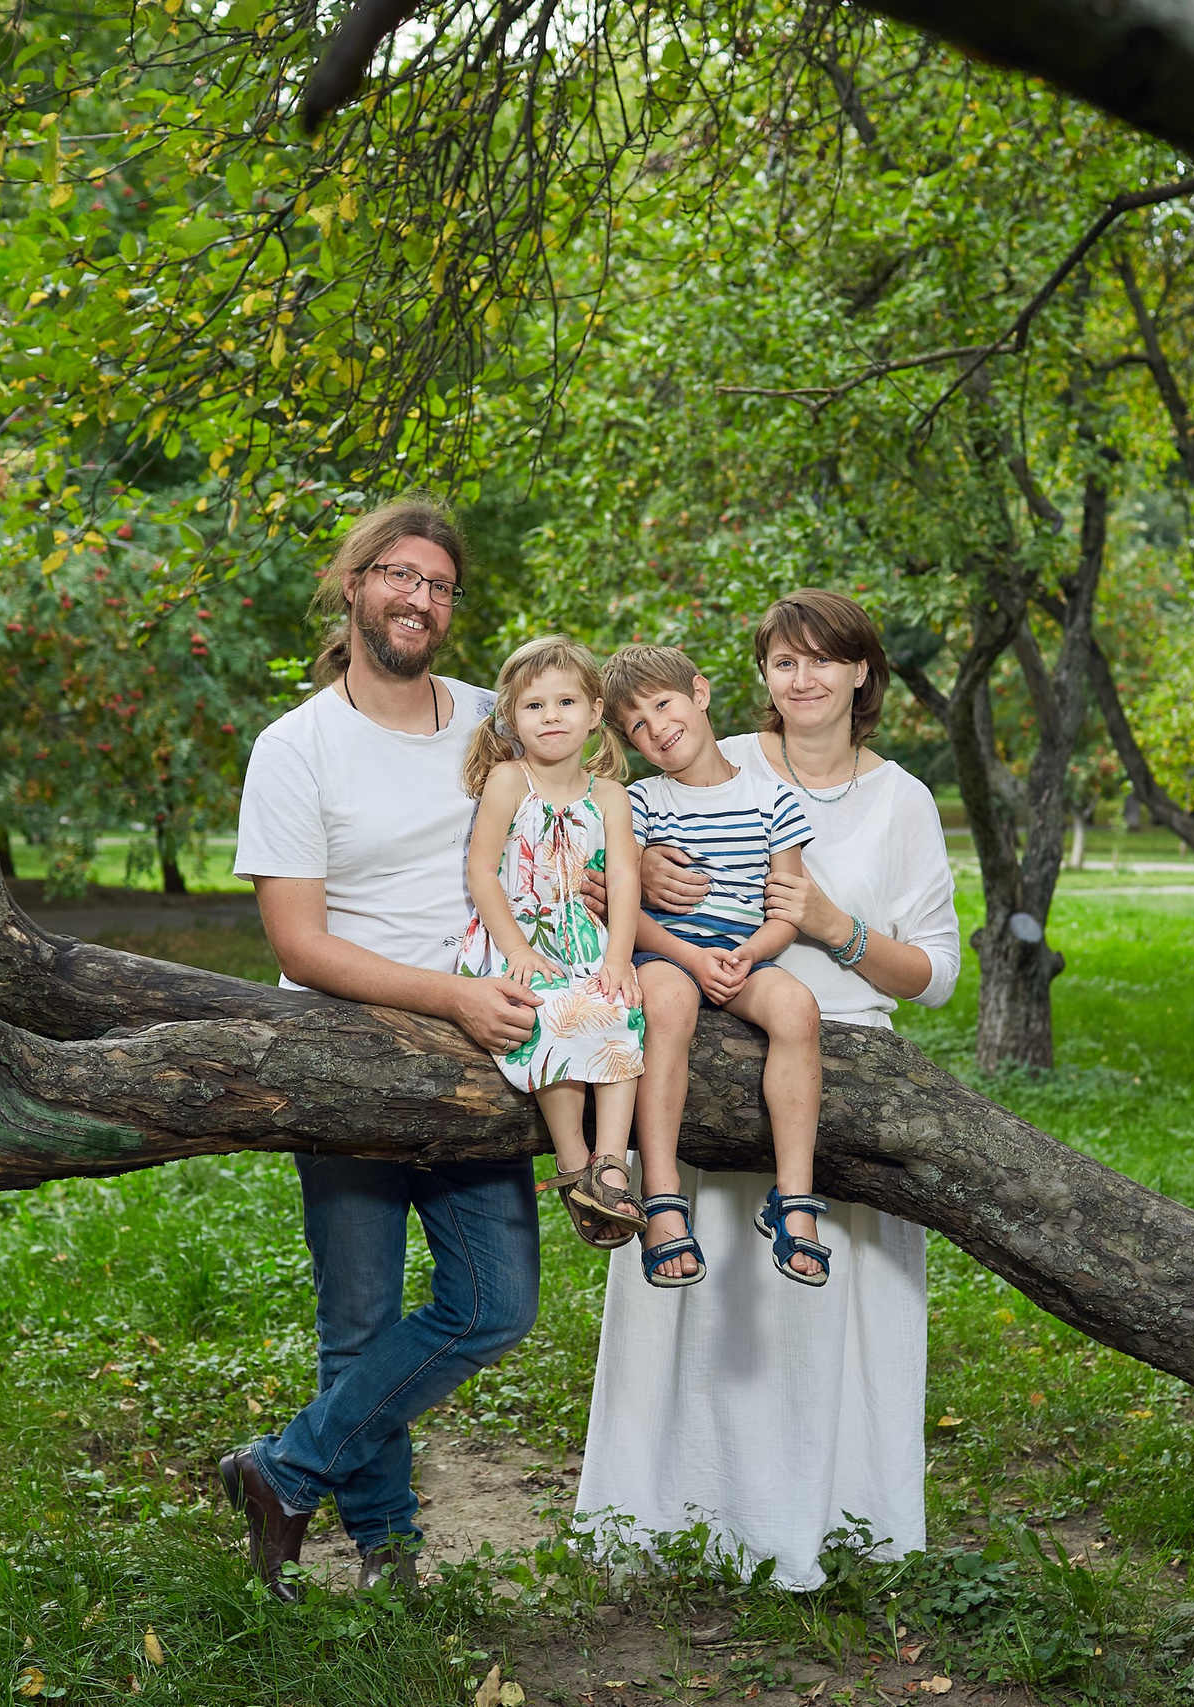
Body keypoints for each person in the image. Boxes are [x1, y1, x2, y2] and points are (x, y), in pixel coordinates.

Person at [577, 590, 961, 1590]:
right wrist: (642, 878)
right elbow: (601, 872)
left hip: (845, 1060)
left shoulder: (904, 799)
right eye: (784, 661)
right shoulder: (704, 763)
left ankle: (836, 1529)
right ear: (753, 679)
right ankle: (677, 1522)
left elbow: (936, 976)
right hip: (705, 1045)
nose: (804, 678)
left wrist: (838, 928)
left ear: (862, 672)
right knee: (703, 1322)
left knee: (816, 1326)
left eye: (824, 659)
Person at [217, 495, 546, 1601]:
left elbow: (561, 828)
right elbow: (299, 943)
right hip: (345, 1059)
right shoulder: (295, 747)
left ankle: (282, 1468)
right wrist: (450, 997)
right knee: (357, 1315)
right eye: (400, 575)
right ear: (354, 585)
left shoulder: (491, 722)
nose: (420, 598)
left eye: (439, 585)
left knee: (494, 1305)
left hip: (479, 1062)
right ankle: (388, 1548)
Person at [603, 643, 829, 1289]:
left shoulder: (774, 801)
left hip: (741, 956)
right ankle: (663, 1194)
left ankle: (793, 1197)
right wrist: (688, 957)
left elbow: (786, 909)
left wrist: (751, 953)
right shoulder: (641, 801)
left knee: (797, 1007)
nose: (656, 727)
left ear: (699, 694)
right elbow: (623, 903)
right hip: (666, 952)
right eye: (637, 723)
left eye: (663, 704)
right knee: (669, 1002)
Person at [455, 636, 648, 1249]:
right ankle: (573, 1162)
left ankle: (611, 1166)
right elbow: (483, 871)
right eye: (534, 706)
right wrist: (516, 950)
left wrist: (618, 957)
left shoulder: (610, 794)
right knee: (550, 1008)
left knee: (620, 1007)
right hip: (516, 936)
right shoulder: (509, 781)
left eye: (566, 702)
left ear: (595, 713)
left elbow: (624, 877)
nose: (552, 716)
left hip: (586, 939)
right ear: (512, 719)